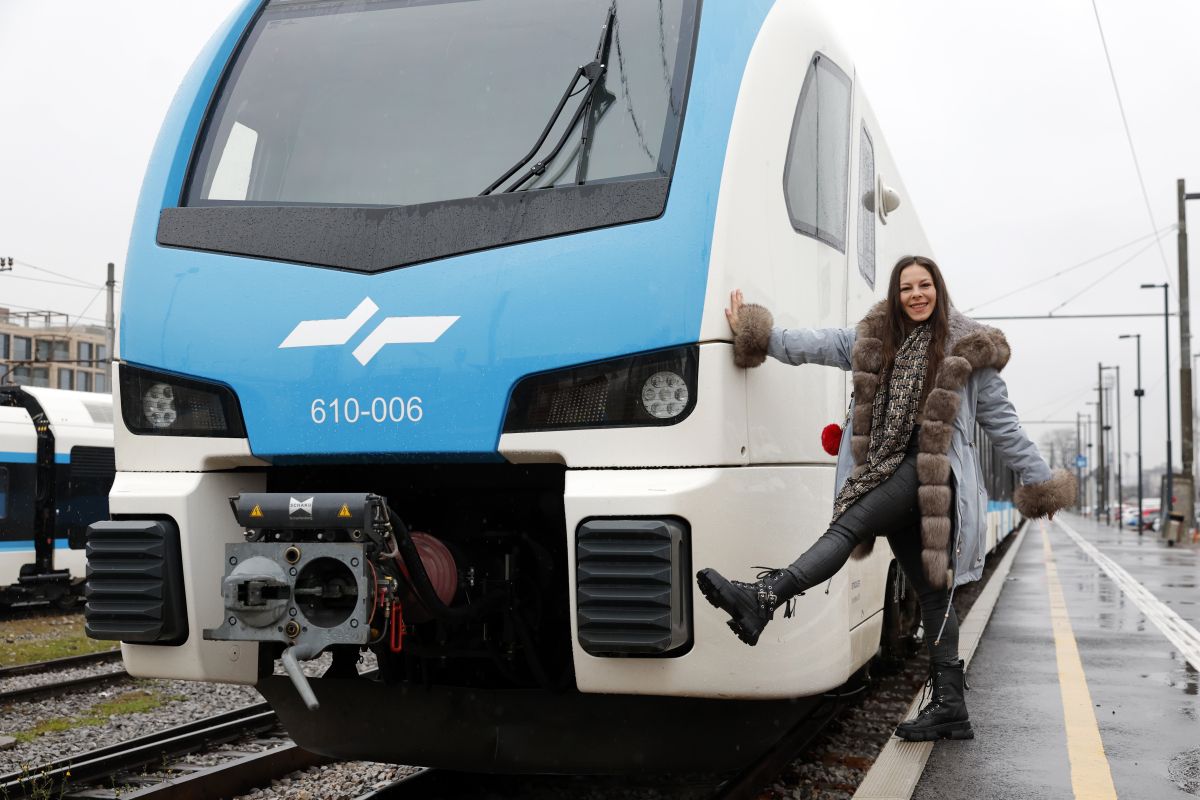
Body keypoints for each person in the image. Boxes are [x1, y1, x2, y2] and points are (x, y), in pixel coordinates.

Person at [696, 255, 1075, 742]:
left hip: (930, 473)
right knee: (932, 592)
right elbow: (811, 343)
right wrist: (759, 335)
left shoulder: (969, 350)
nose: (916, 295)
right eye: (906, 287)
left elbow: (1006, 427)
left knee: (849, 525)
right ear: (896, 295)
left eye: (925, 285)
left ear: (939, 289)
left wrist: (1041, 483)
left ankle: (764, 597)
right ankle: (951, 707)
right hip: (887, 466)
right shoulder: (874, 339)